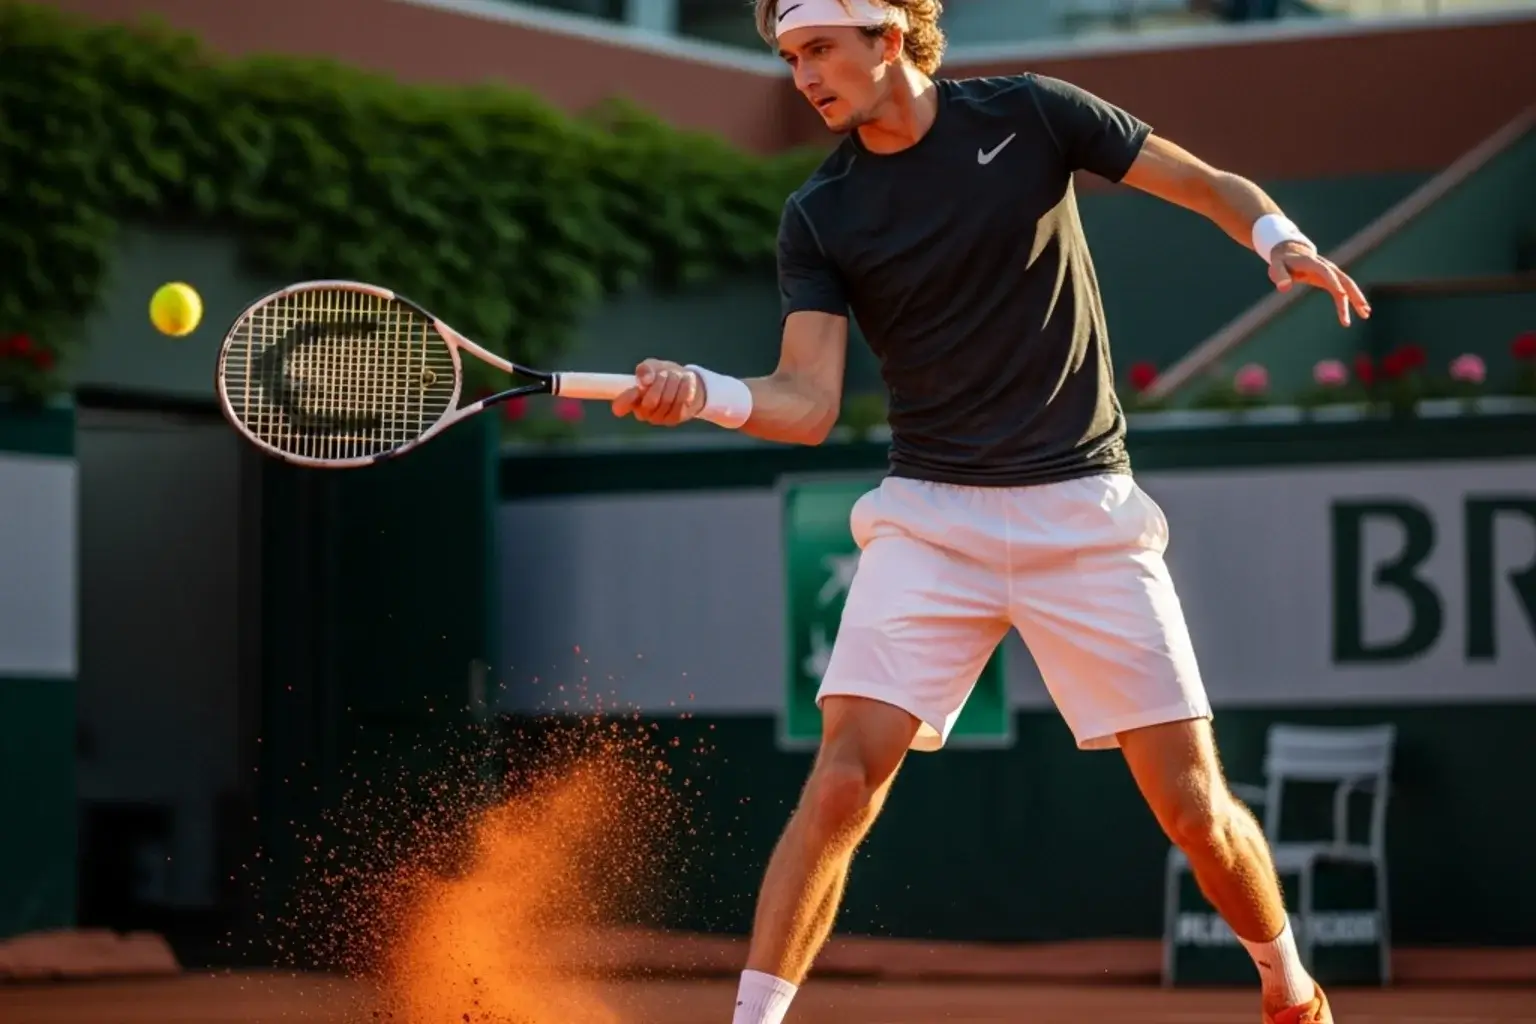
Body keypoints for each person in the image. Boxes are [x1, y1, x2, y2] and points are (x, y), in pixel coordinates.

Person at [609, 2, 1370, 1022]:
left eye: (820, 49)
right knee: (840, 784)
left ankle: (1287, 982)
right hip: (932, 522)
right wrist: (700, 389)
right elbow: (808, 400)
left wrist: (1280, 240)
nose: (805, 77)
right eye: (791, 58)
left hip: (1085, 510)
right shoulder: (822, 212)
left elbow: (1207, 185)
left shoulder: (1035, 116)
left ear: (887, 36)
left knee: (1194, 809)